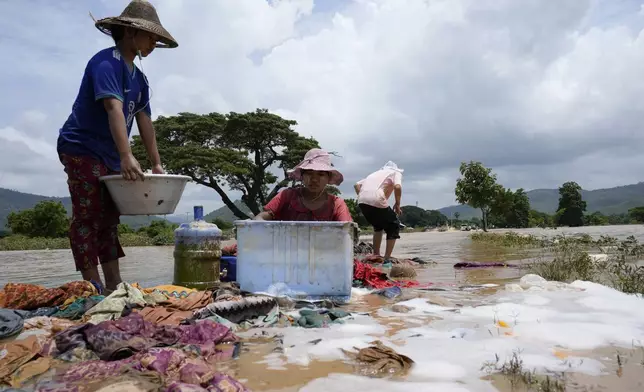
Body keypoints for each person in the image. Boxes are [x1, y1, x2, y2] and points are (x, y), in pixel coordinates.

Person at [57, 0, 178, 292]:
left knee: (110, 218)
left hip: (109, 153)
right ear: (129, 32)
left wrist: (156, 163)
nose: (153, 42)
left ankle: (114, 283)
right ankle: (93, 287)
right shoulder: (105, 63)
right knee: (88, 215)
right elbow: (113, 108)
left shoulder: (140, 79)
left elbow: (144, 121)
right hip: (81, 147)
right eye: (150, 36)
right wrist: (126, 155)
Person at [254, 149, 353, 222]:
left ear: (328, 178)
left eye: (321, 174)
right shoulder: (286, 196)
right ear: (302, 176)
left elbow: (347, 230)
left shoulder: (336, 204)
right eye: (309, 173)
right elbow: (261, 217)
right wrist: (259, 223)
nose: (314, 179)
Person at [354, 161, 404, 260]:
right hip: (376, 198)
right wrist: (397, 204)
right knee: (394, 225)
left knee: (378, 226)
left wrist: (364, 196)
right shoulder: (395, 173)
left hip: (361, 200)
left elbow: (356, 185)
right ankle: (387, 259)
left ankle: (375, 254)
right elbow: (397, 186)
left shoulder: (376, 174)